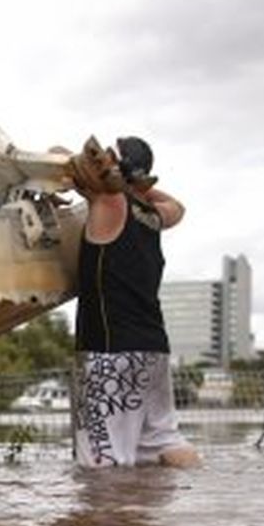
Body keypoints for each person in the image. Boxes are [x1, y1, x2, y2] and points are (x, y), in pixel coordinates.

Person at [66, 135, 201, 468]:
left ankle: (113, 521)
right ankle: (200, 503)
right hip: (153, 351)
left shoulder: (109, 203)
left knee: (101, 465)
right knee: (166, 443)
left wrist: (120, 183)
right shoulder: (153, 215)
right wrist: (139, 186)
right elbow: (180, 207)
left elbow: (62, 158)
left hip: (110, 355)